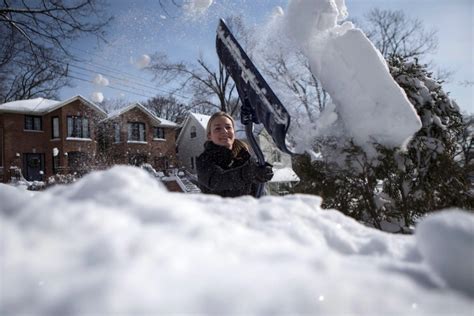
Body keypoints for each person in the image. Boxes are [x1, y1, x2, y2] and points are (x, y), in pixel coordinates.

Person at [196, 111, 274, 197]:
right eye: (218, 128)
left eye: (228, 127)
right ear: (209, 135)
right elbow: (217, 181)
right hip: (217, 209)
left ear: (234, 132)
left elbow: (257, 192)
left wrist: (261, 174)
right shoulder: (204, 160)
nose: (224, 131)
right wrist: (249, 172)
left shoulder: (244, 157)